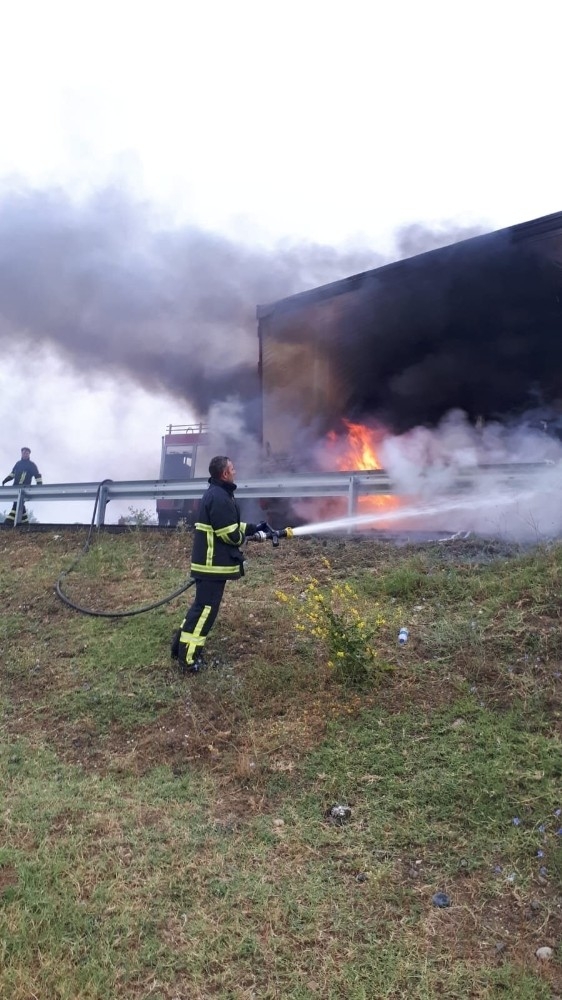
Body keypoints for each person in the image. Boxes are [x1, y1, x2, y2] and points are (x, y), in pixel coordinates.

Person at [171, 455, 271, 673]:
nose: (235, 471)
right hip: (212, 565)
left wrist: (253, 528)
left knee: (200, 607)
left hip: (209, 565)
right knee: (205, 611)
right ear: (225, 474)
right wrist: (247, 538)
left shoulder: (218, 493)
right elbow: (229, 534)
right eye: (232, 469)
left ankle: (179, 648)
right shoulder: (220, 497)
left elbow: (230, 524)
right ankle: (188, 659)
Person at [2, 447, 43, 525]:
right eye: (24, 453)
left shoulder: (31, 465)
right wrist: (6, 480)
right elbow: (12, 474)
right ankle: (25, 523)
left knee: (16, 504)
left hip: (25, 489)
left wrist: (39, 486)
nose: (25, 454)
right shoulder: (18, 464)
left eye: (27, 453)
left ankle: (8, 521)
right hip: (15, 488)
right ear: (21, 453)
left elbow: (37, 475)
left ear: (29, 454)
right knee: (19, 504)